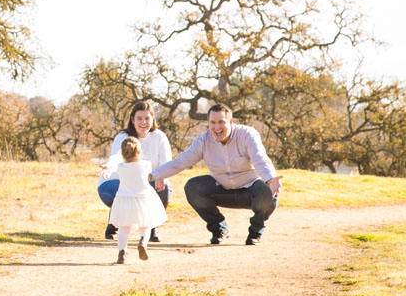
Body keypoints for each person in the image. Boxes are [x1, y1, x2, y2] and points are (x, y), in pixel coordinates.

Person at [150, 103, 284, 246]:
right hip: (221, 189)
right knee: (193, 187)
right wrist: (152, 176)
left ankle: (255, 232)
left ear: (231, 122)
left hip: (250, 189)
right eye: (213, 123)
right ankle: (219, 230)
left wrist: (271, 179)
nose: (217, 127)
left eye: (221, 122)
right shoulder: (203, 140)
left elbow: (260, 159)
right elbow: (181, 162)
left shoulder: (247, 135)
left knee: (269, 192)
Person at [97, 101, 173, 241]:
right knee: (124, 189)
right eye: (139, 118)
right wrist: (108, 167)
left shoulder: (159, 137)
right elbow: (116, 156)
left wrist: (161, 177)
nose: (143, 122)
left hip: (147, 182)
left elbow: (166, 163)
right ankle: (114, 224)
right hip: (116, 182)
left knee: (165, 187)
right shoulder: (123, 137)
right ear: (132, 119)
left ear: (152, 119)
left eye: (147, 118)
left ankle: (151, 226)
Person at [107, 136, 167, 264]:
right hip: (143, 199)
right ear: (139, 152)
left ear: (123, 154)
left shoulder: (120, 167)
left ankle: (122, 253)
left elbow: (115, 174)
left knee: (124, 228)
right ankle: (142, 243)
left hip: (124, 199)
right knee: (146, 225)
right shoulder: (146, 165)